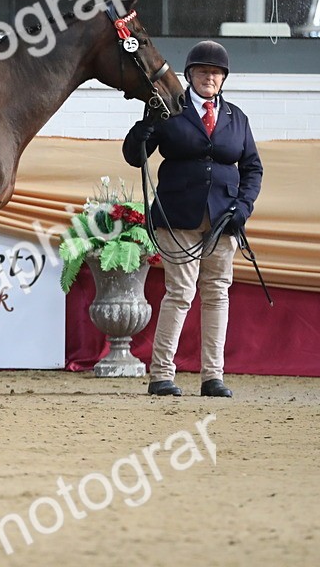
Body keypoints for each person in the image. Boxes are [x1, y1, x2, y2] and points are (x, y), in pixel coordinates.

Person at [122, 40, 263, 398]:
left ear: (223, 79)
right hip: (178, 217)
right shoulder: (170, 108)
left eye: (216, 73)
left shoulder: (237, 117)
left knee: (217, 294)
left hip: (223, 219)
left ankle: (212, 376)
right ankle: (161, 375)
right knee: (181, 293)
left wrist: (242, 207)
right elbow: (135, 157)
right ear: (190, 75)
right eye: (203, 72)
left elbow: (252, 168)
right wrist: (143, 129)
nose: (209, 78)